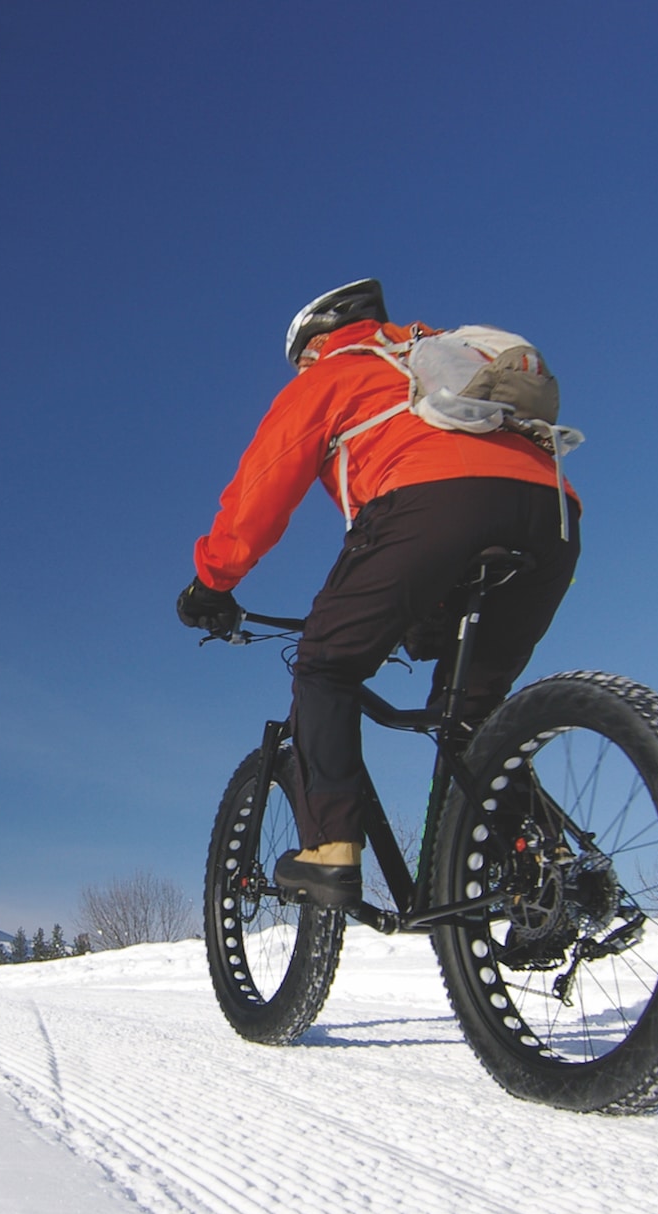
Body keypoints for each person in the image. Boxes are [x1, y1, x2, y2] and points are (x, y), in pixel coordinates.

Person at [177, 279, 581, 909]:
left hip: (432, 504)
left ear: (316, 344)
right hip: (551, 512)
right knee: (473, 717)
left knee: (324, 665)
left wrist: (212, 582)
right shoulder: (440, 363)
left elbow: (260, 489)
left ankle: (331, 851)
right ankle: (544, 866)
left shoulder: (334, 374)